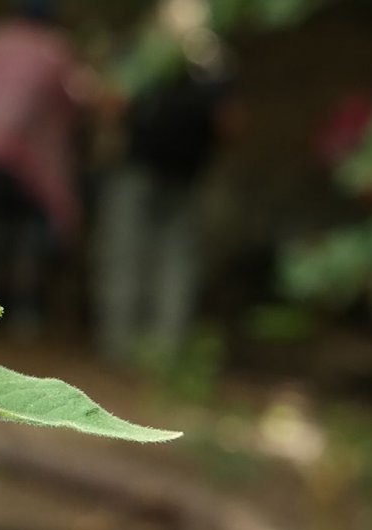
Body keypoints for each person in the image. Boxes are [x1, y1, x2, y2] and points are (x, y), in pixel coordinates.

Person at [95, 0, 236, 364]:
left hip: (139, 170)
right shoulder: (213, 60)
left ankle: (120, 348)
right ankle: (161, 353)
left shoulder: (146, 52)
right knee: (174, 262)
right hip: (183, 174)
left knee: (127, 255)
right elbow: (230, 122)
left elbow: (112, 101)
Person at [0, 0, 97, 334]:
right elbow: (73, 102)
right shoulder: (55, 49)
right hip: (28, 165)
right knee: (26, 234)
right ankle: (22, 311)